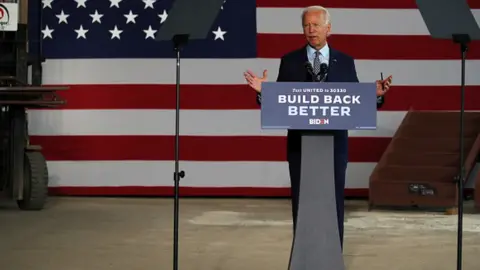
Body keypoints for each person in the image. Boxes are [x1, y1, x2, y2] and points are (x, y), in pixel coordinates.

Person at [243, 5, 392, 248]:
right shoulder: (290, 61)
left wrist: (374, 95)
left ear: (328, 28)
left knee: (332, 203)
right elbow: (281, 104)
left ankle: (333, 255)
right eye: (306, 25)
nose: (311, 30)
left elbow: (355, 101)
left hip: (334, 145)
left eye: (316, 25)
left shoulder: (344, 61)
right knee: (303, 202)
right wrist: (265, 92)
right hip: (300, 145)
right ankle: (304, 254)